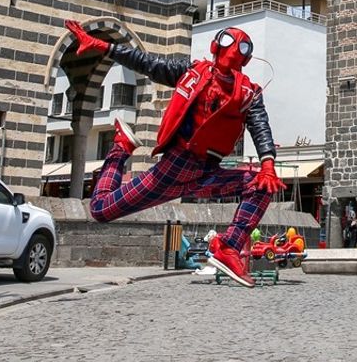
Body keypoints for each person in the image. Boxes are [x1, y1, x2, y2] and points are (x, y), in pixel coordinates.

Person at [64, 20, 285, 288]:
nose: (232, 52)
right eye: (229, 43)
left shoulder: (249, 93)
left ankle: (229, 248)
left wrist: (268, 164)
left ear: (244, 58)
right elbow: (147, 63)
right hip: (173, 168)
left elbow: (260, 126)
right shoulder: (192, 72)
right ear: (215, 46)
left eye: (240, 48)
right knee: (100, 210)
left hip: (206, 172)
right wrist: (106, 47)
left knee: (261, 185)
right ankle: (121, 147)